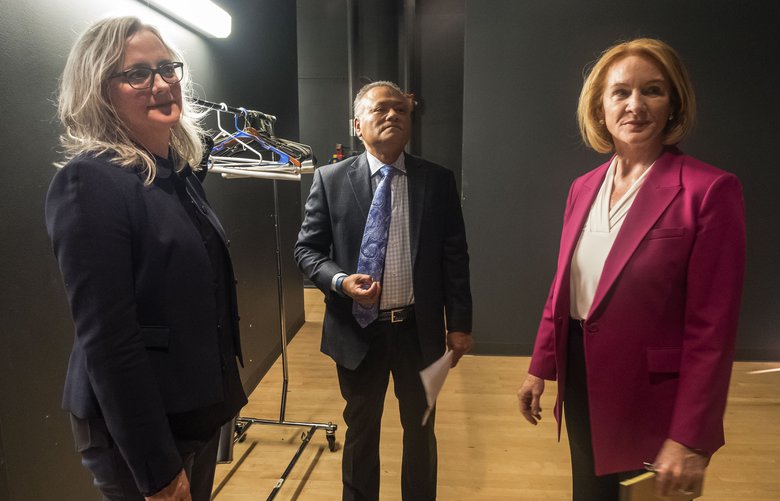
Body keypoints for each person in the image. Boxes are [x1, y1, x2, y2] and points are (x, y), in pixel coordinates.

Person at [517, 38, 745, 500]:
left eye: (652, 91)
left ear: (672, 104)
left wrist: (689, 436)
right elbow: (566, 284)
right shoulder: (583, 187)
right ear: (600, 107)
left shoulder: (708, 190)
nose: (635, 105)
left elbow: (712, 329)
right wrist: (540, 366)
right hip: (582, 380)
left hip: (652, 397)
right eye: (621, 92)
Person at [45, 17, 246, 501]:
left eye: (166, 68)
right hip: (140, 432)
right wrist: (157, 470)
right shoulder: (89, 182)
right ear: (99, 91)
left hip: (193, 411)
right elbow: (109, 340)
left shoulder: (175, 173)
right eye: (137, 74)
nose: (160, 84)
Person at [295, 81, 473, 500]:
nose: (393, 115)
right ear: (358, 125)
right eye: (380, 109)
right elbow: (307, 250)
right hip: (357, 331)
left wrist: (460, 324)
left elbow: (455, 258)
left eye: (401, 109)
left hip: (419, 331)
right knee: (361, 430)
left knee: (422, 428)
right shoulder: (330, 180)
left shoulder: (438, 181)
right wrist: (340, 281)